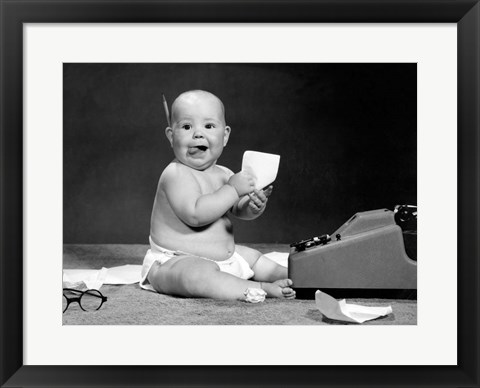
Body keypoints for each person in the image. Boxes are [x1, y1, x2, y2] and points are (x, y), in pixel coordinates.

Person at [140, 90, 295, 302]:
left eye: (209, 126)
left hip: (225, 258)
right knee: (195, 276)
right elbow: (195, 215)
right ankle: (260, 287)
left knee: (255, 258)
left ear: (225, 136)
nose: (197, 134)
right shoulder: (175, 175)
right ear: (171, 135)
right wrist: (232, 190)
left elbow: (237, 209)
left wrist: (252, 205)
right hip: (174, 261)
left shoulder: (224, 174)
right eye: (186, 127)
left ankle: (295, 276)